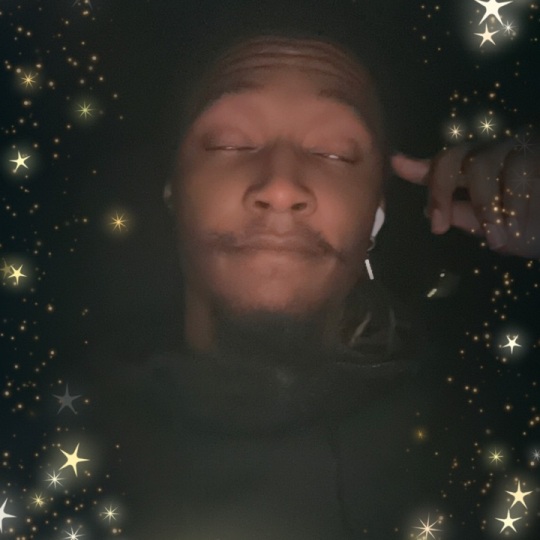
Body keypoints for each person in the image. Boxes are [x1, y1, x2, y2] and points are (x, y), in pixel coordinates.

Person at [76, 31, 539, 540]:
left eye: (335, 154)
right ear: (173, 191)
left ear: (375, 214)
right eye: (230, 143)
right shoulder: (61, 431)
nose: (280, 187)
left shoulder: (497, 427)